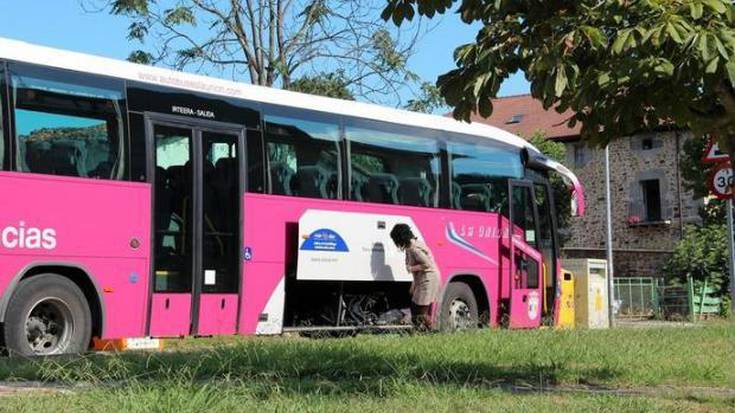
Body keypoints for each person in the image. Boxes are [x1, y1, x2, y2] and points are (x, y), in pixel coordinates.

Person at [389, 223, 440, 331]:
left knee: (420, 313)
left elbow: (427, 264)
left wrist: (411, 269)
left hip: (428, 279)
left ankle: (435, 331)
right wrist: (414, 284)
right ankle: (422, 333)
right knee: (414, 310)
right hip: (422, 279)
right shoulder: (409, 248)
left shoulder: (414, 249)